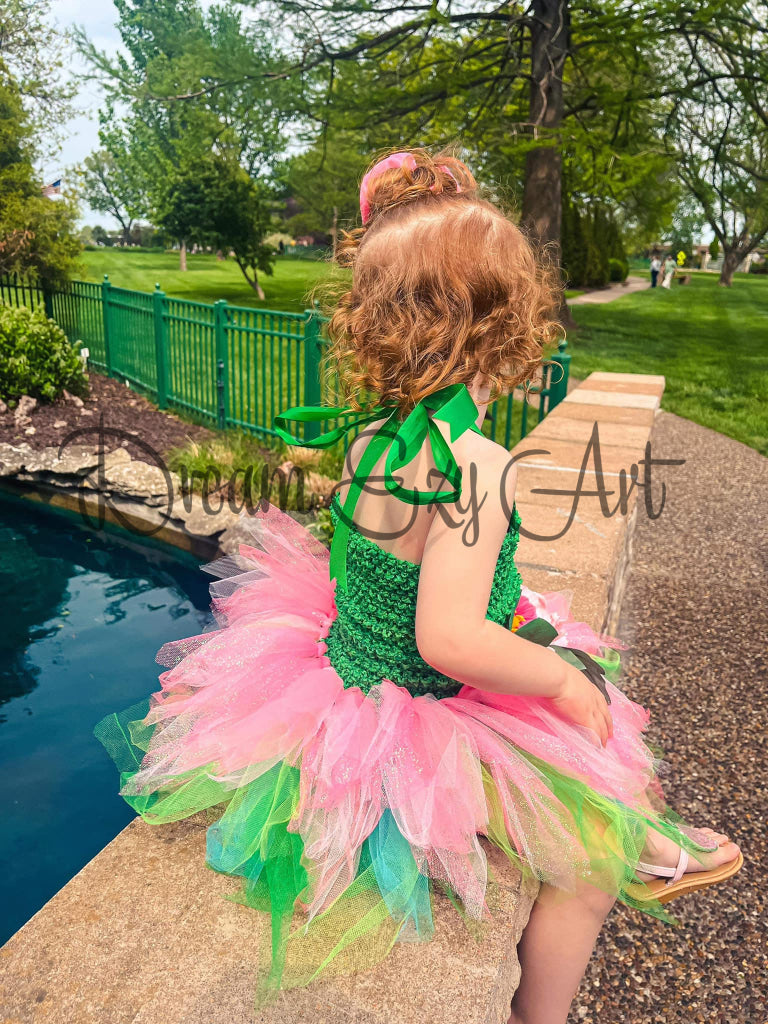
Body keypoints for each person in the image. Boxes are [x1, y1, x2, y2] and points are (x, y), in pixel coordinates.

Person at [94, 150, 742, 1024]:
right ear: (503, 328)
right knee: (585, 818)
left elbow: (389, 576)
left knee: (578, 688)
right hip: (417, 716)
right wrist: (551, 674)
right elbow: (447, 639)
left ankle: (651, 831)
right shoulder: (474, 465)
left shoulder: (372, 443)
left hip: (343, 674)